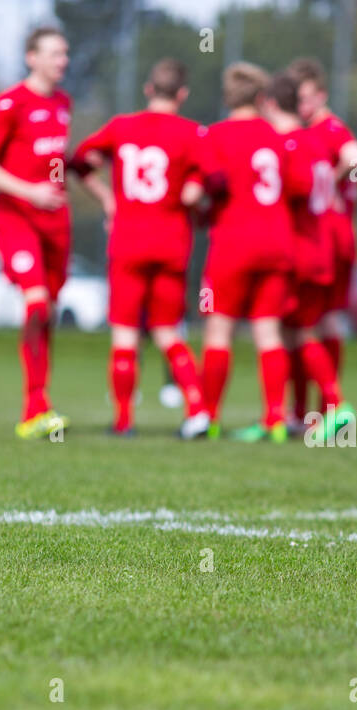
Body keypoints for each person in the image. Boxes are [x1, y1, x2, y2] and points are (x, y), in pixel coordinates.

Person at [71, 57, 211, 440]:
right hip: (170, 242)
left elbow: (80, 160)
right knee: (168, 331)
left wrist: (107, 197)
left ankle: (123, 420)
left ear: (148, 89)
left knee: (125, 334)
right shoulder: (192, 133)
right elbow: (211, 176)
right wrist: (194, 190)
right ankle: (197, 411)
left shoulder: (122, 126)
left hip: (128, 242)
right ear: (182, 94)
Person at [197, 61, 311, 443]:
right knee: (268, 332)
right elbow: (299, 187)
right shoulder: (279, 137)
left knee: (218, 329)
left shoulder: (214, 135)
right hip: (277, 244)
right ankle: (275, 418)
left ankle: (208, 418)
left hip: (232, 244)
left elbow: (206, 186)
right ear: (262, 98)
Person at [0, 25, 74, 440]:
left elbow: (54, 163)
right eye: (54, 53)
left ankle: (40, 401)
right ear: (32, 57)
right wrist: (29, 191)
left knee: (46, 310)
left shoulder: (64, 103)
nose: (62, 61)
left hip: (56, 225)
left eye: (65, 54)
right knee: (35, 303)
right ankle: (34, 407)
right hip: (17, 220)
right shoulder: (8, 104)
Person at [260, 70, 354, 439]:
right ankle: (295, 414)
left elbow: (293, 192)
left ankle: (333, 403)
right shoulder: (314, 141)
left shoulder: (292, 144)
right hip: (320, 247)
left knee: (296, 332)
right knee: (299, 330)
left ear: (269, 104)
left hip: (299, 250)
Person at [288, 57, 357, 414]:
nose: (302, 106)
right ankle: (316, 410)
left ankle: (321, 407)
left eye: (306, 98)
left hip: (326, 239)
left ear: (321, 95)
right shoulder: (310, 131)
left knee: (303, 324)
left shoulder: (331, 130)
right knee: (323, 322)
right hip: (336, 239)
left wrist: (330, 181)